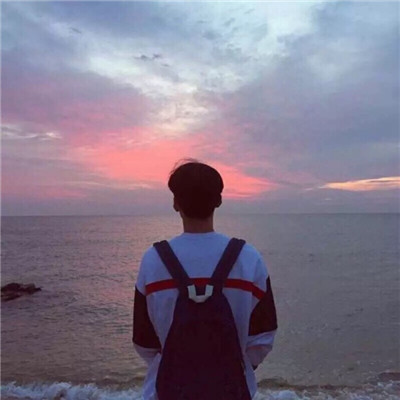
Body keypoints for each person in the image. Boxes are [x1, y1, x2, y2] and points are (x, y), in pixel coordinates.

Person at [133, 159, 278, 400]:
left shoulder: (153, 260)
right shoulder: (248, 258)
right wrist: (232, 368)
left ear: (175, 203)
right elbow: (263, 338)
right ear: (219, 201)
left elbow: (144, 342)